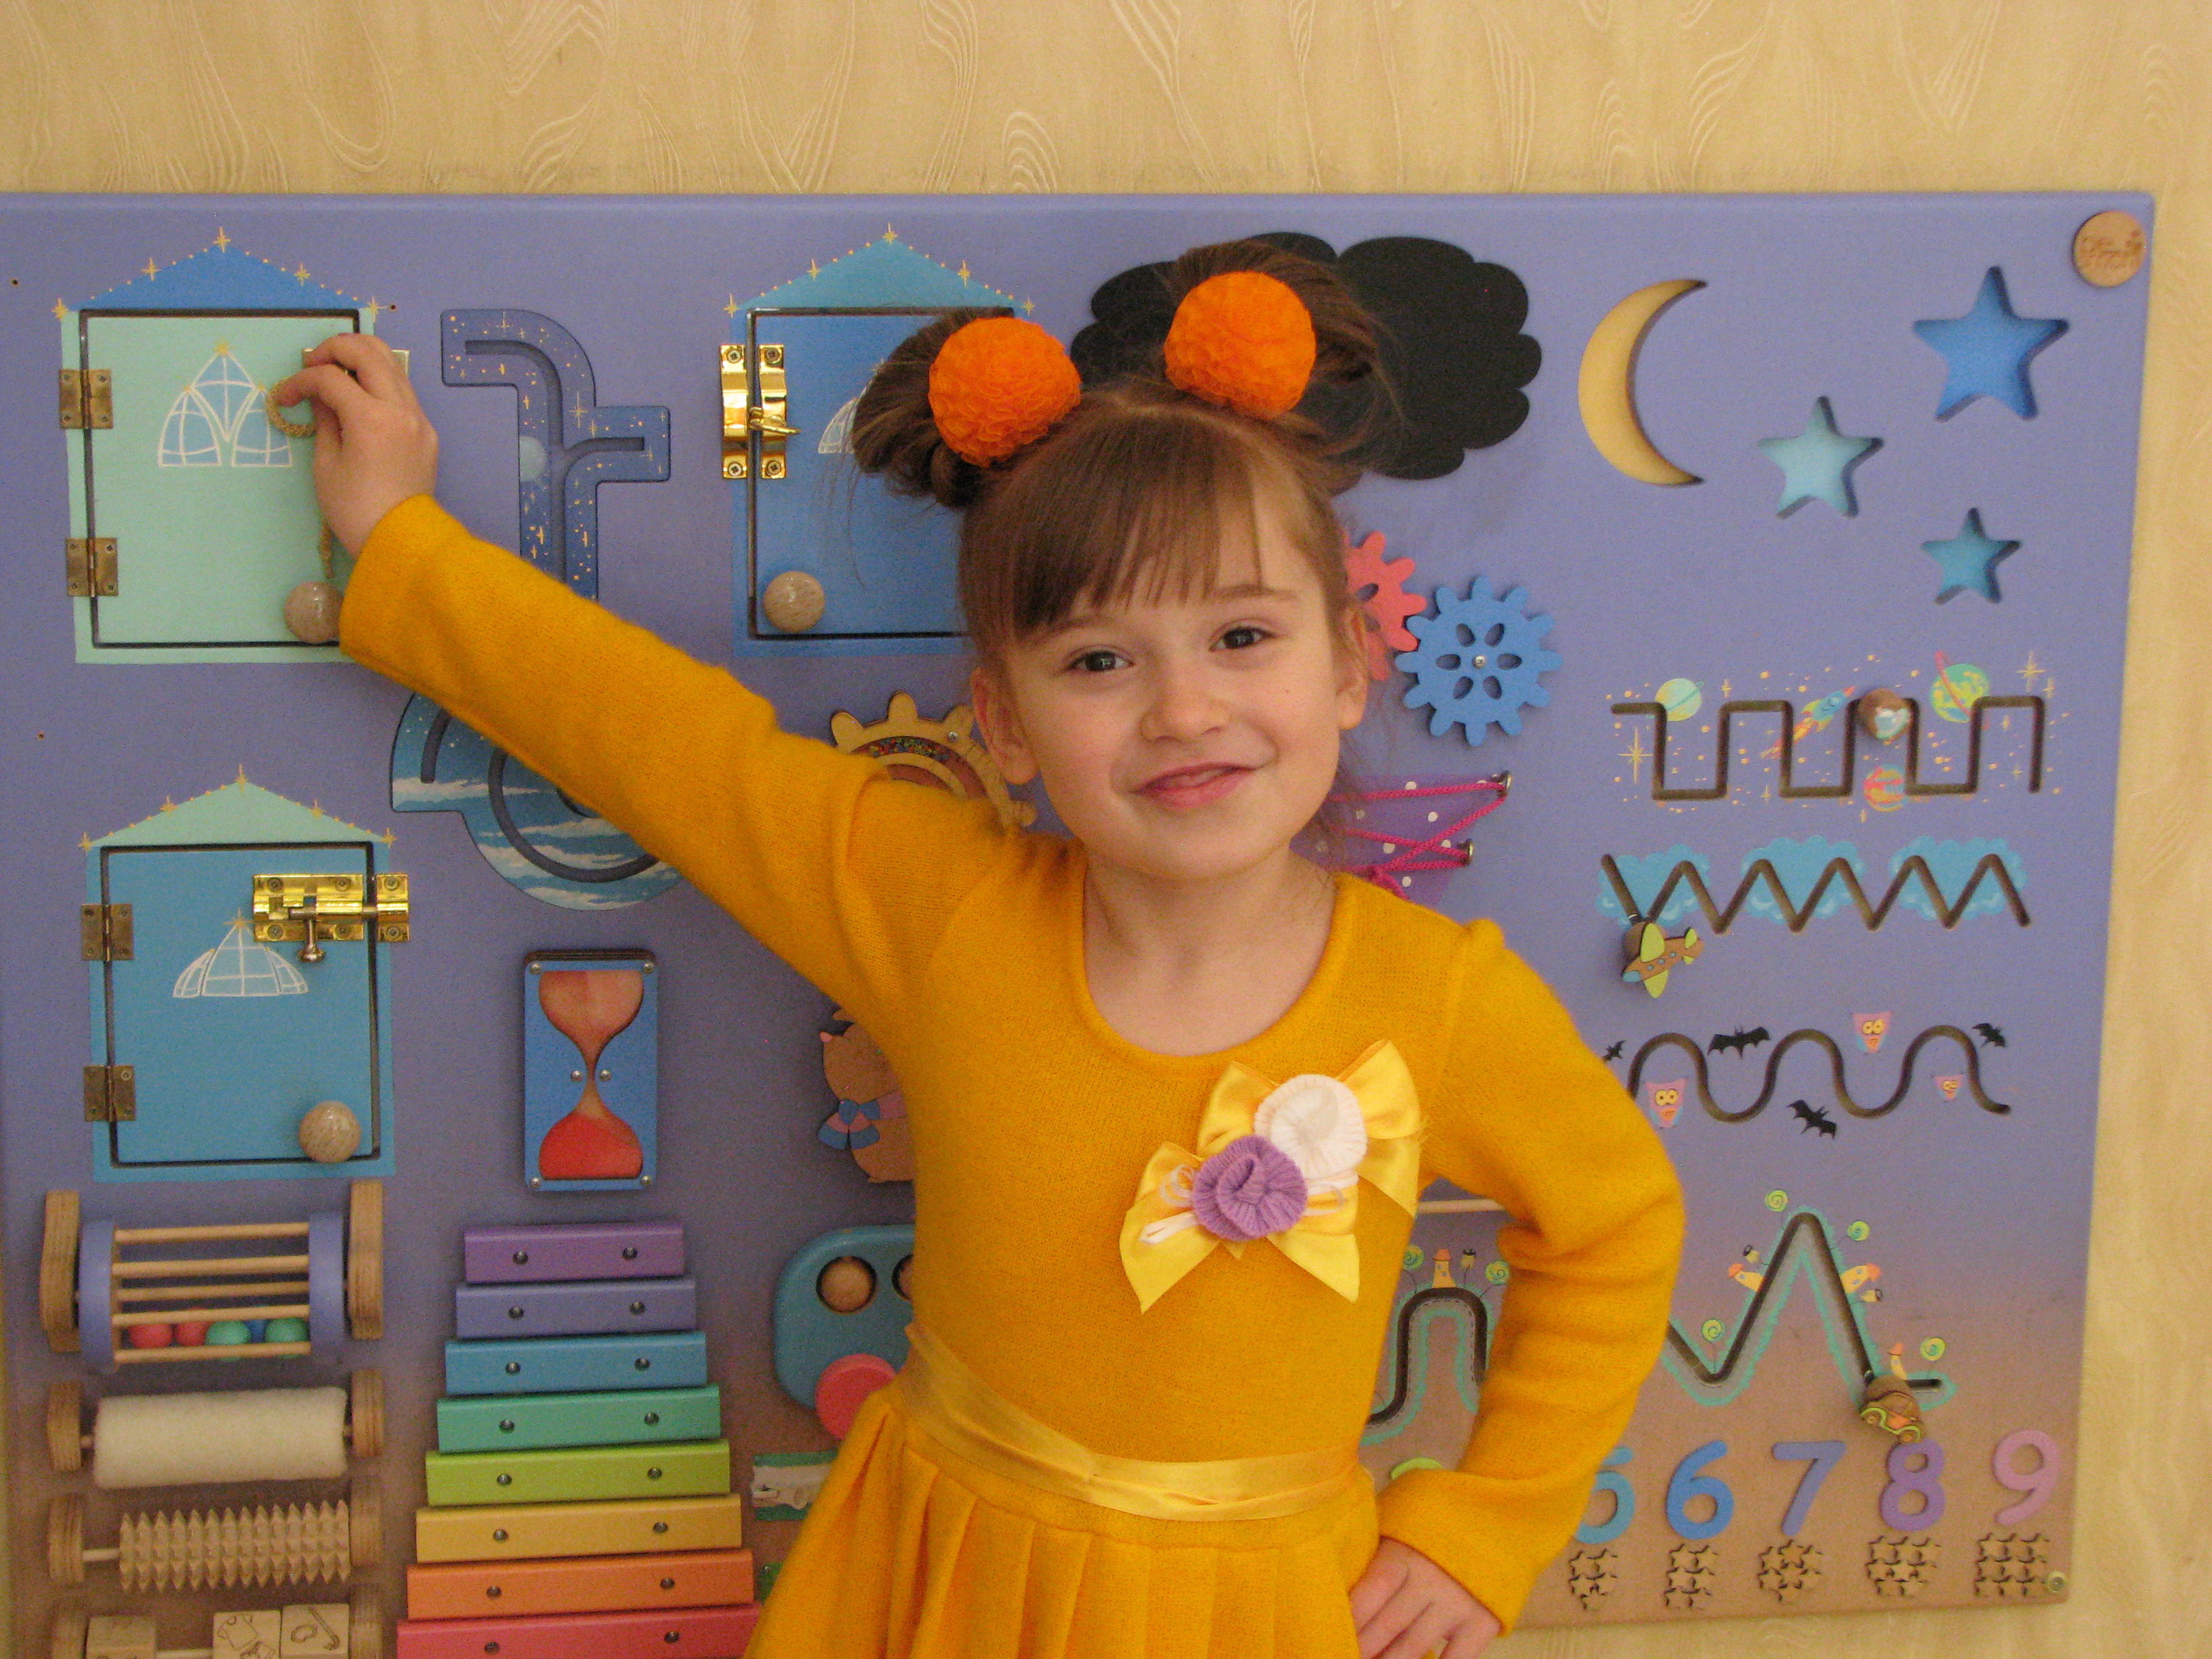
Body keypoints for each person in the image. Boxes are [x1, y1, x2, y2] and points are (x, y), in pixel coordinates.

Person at [272, 238, 1682, 1659]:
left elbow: (1616, 1229)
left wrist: (1487, 1525)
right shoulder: (944, 908)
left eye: (1244, 635)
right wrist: (401, 541)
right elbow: (666, 745)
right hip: (941, 1577)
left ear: (1351, 664)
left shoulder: (1441, 998)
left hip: (1259, 1609)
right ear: (1003, 722)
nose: (1185, 709)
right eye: (1099, 660)